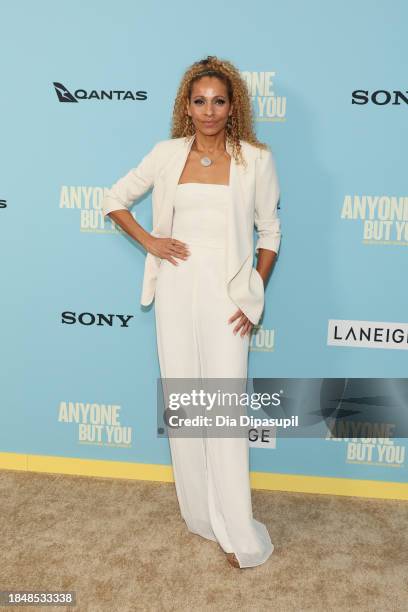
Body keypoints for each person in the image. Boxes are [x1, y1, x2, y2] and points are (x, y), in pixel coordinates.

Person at [101, 55, 282, 569]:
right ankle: (203, 515)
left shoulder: (255, 159)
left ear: (233, 106)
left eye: (219, 101)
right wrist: (150, 241)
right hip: (177, 290)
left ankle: (237, 528)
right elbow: (114, 198)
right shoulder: (166, 154)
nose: (209, 110)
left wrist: (254, 290)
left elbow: (270, 233)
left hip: (228, 296)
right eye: (200, 100)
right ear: (186, 105)